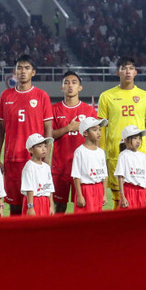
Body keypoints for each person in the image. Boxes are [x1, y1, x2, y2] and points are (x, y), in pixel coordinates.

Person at [0, 55, 53, 215]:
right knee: (14, 205)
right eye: (19, 67)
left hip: (34, 160)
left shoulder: (42, 96)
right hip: (12, 158)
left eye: (27, 68)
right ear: (14, 71)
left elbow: (48, 129)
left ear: (33, 72)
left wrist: (46, 157)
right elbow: (0, 129)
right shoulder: (5, 96)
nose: (23, 71)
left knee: (35, 203)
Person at [97, 56, 146, 209]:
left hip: (139, 153)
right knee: (118, 195)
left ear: (136, 72)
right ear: (118, 72)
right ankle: (118, 229)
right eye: (124, 68)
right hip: (114, 152)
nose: (127, 71)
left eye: (131, 68)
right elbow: (102, 128)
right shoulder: (106, 96)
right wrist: (99, 152)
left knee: (137, 193)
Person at [51, 71, 97, 213]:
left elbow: (96, 138)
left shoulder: (89, 110)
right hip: (60, 167)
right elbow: (49, 136)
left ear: (80, 88)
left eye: (74, 82)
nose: (70, 85)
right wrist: (68, 128)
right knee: (59, 206)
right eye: (66, 82)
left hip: (83, 167)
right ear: (61, 88)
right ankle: (58, 235)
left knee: (84, 205)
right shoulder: (54, 109)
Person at [71, 117, 109, 212]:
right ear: (85, 133)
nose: (98, 132)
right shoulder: (79, 152)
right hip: (85, 190)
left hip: (98, 189)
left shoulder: (100, 152)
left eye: (99, 129)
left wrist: (104, 194)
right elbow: (76, 176)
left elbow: (104, 175)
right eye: (94, 129)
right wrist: (79, 195)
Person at [115, 125, 146, 209]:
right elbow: (120, 177)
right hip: (129, 191)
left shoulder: (142, 156)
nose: (138, 141)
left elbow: (144, 178)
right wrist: (122, 196)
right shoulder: (123, 155)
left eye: (139, 138)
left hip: (141, 193)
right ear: (126, 140)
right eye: (135, 138)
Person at [21, 133, 55, 216]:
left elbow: (50, 188)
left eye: (45, 146)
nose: (43, 149)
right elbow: (29, 188)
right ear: (31, 150)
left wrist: (51, 206)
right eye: (40, 146)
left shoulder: (46, 167)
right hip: (33, 201)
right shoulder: (29, 166)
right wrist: (30, 207)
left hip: (45, 201)